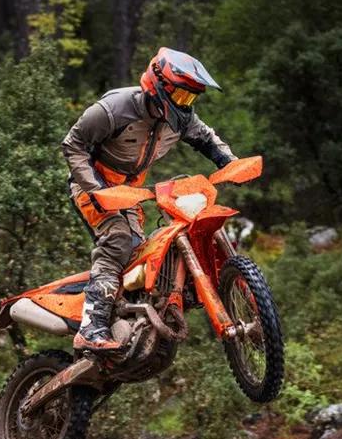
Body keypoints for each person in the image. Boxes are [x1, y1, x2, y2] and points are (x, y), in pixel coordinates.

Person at [61, 47, 239, 352]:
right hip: (92, 184)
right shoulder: (113, 109)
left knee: (140, 254)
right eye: (181, 95)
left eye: (190, 98)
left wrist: (231, 163)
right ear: (158, 85)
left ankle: (128, 318)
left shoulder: (181, 119)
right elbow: (73, 145)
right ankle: (91, 326)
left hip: (131, 190)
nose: (185, 104)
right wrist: (96, 189)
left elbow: (207, 139)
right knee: (118, 240)